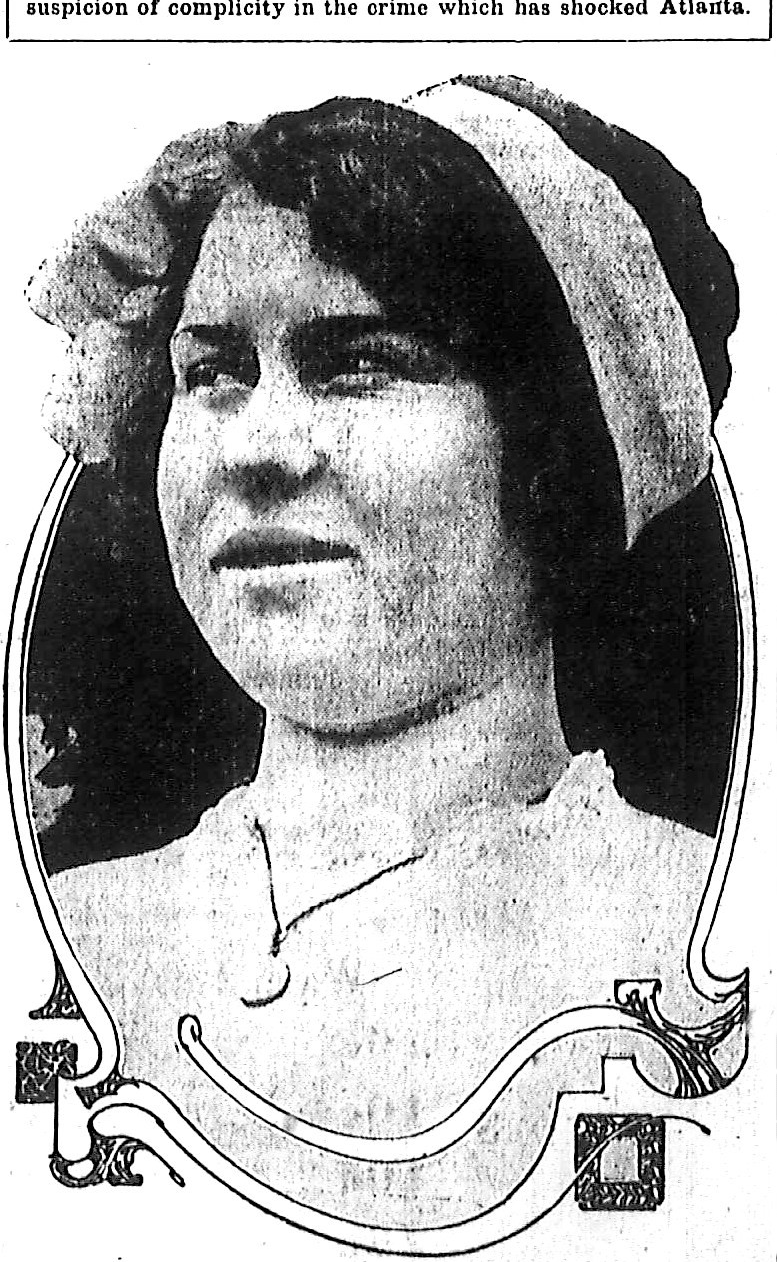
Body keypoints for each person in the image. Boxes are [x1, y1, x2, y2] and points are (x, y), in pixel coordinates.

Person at [27, 75, 738, 1224]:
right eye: (212, 371)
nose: (256, 448)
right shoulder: (62, 936)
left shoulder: (704, 931)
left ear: (559, 447)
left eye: (360, 363)